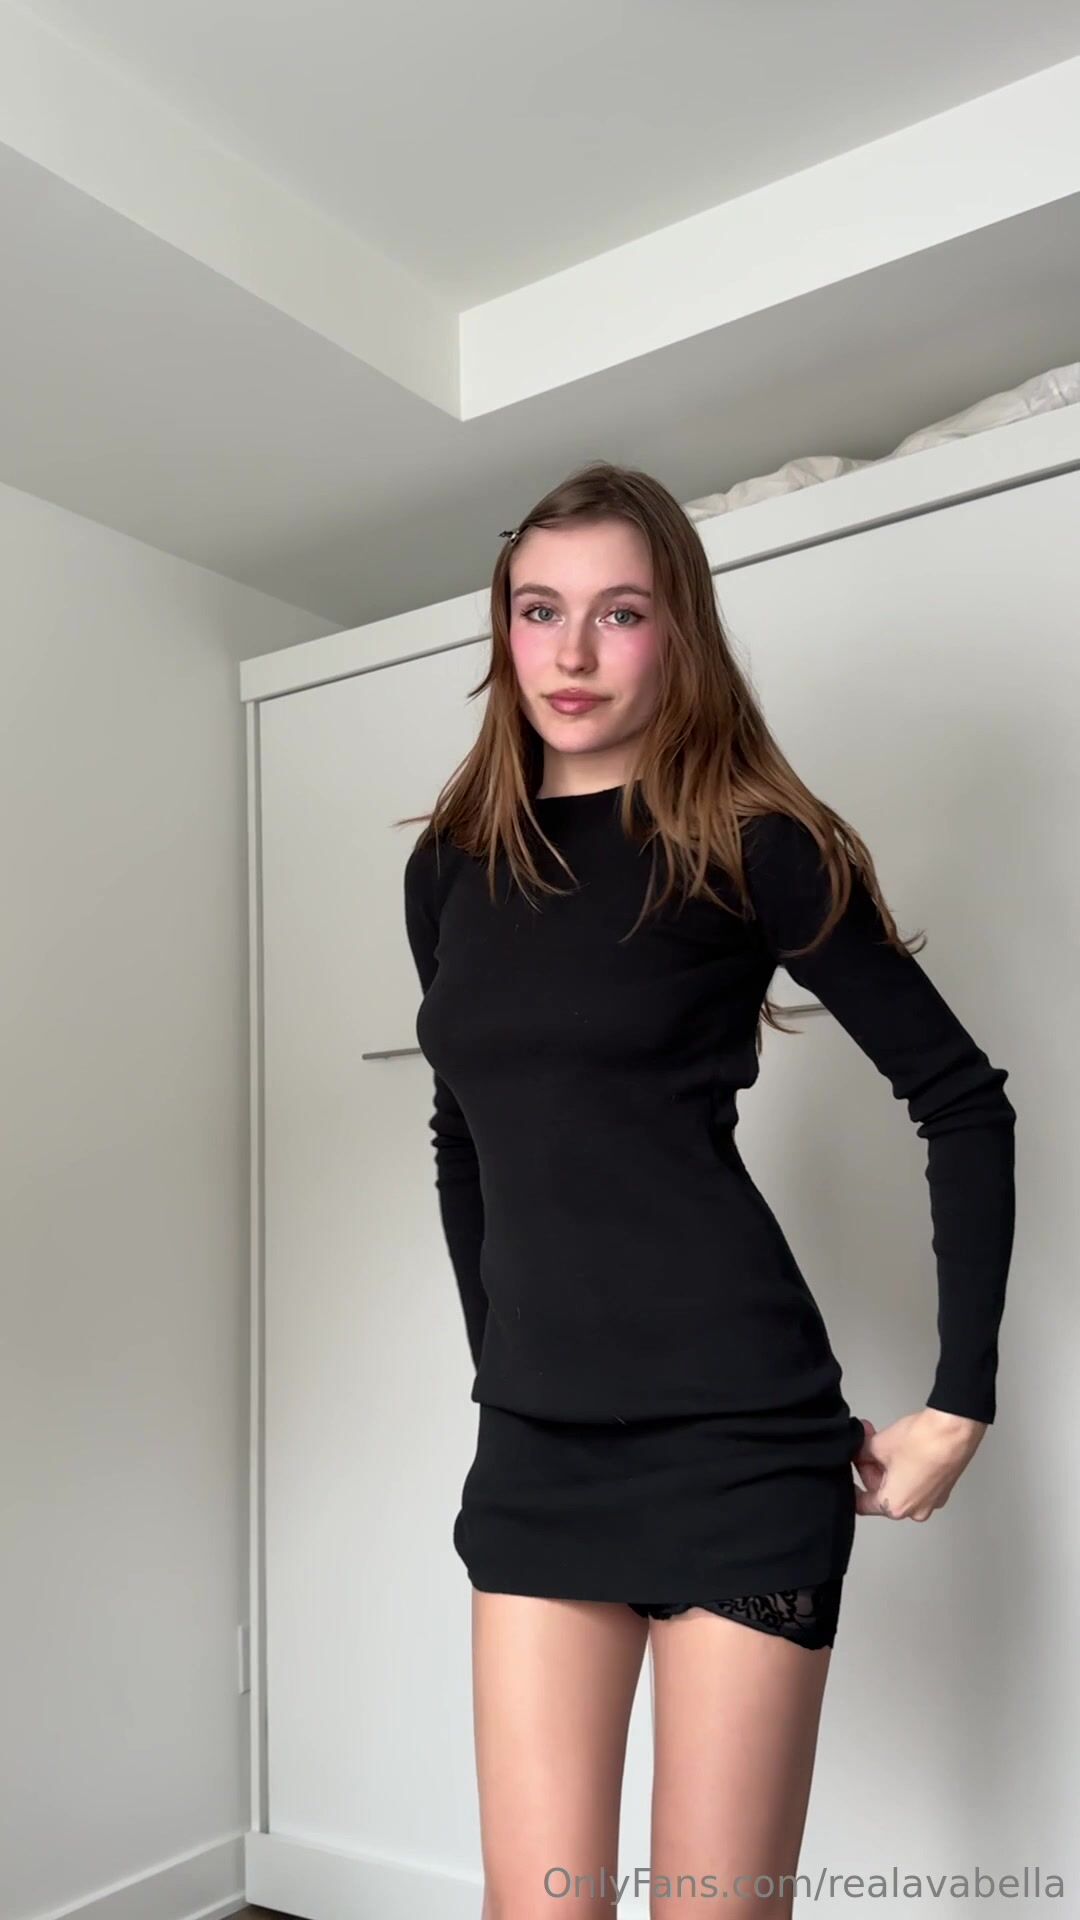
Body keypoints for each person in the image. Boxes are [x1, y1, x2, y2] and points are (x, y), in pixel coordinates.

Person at [402, 460, 1016, 1920]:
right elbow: (463, 1138)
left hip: (739, 1445)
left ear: (677, 629)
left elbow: (961, 1100)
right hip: (538, 1452)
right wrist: (510, 1367)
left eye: (619, 613)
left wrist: (961, 1402)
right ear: (502, 629)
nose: (571, 651)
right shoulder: (449, 870)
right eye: (538, 610)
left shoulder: (751, 842)